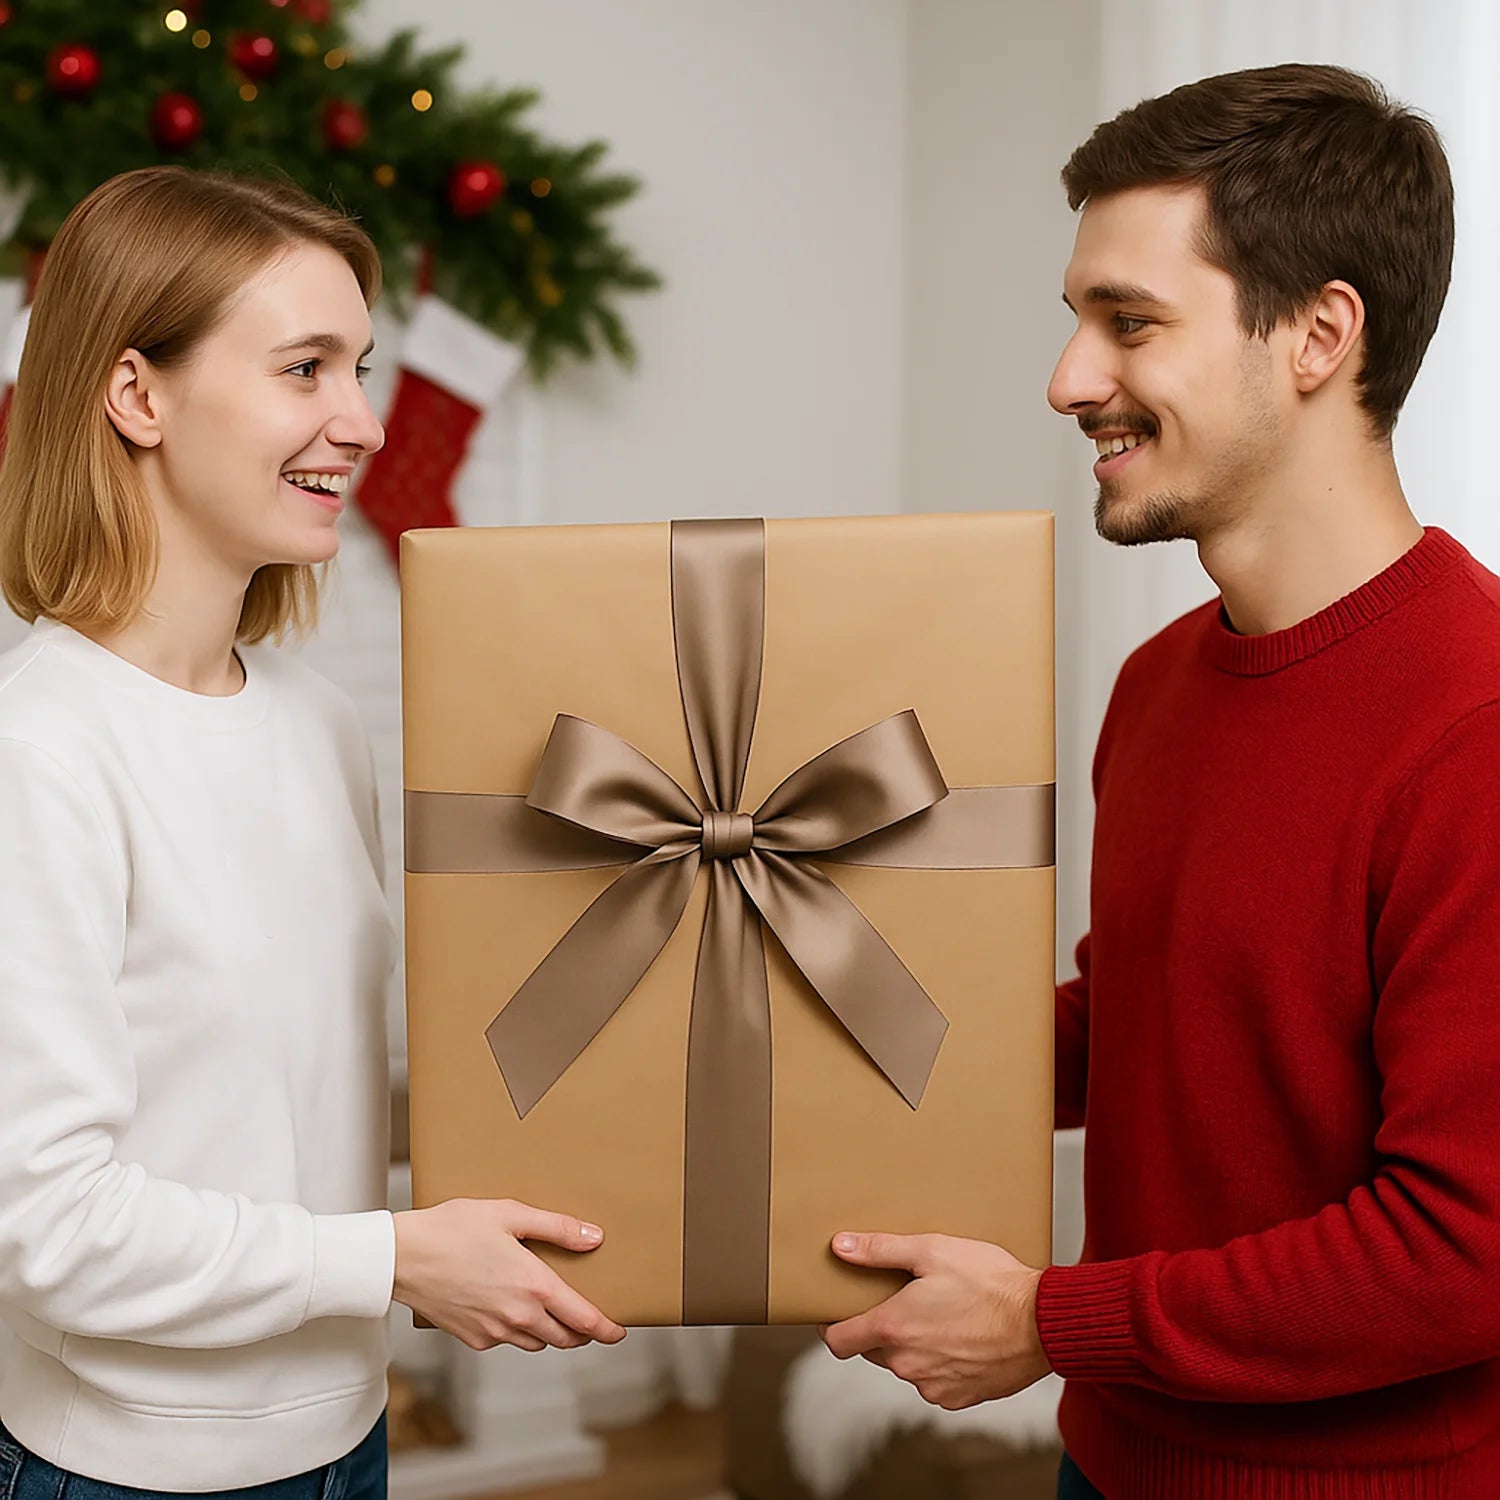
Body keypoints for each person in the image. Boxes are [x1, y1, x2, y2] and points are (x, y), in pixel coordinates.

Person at [821, 61, 1500, 1499]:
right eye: (1079, 319)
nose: (1069, 379)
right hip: (1114, 1462)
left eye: (1128, 323)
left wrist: (1050, 1322)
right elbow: (1152, 1025)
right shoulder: (1160, 683)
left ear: (1318, 336)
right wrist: (816, 1036)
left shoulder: (1477, 725)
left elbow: (1465, 1249)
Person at [0, 166, 624, 1500]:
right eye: (304, 368)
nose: (361, 421)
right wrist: (397, 1259)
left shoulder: (319, 723)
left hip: (345, 1439)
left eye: (361, 367)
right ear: (137, 396)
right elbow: (45, 1227)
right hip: (125, 1473)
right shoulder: (38, 752)